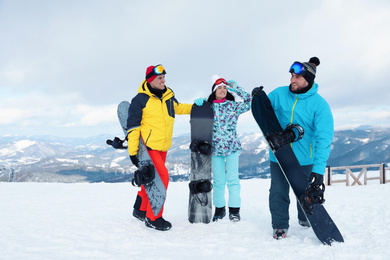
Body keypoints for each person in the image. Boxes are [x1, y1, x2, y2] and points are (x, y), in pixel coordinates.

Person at [265, 57, 334, 239]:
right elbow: (262, 111)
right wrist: (257, 98)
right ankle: (280, 225)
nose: (292, 80)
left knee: (304, 191)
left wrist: (319, 170)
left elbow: (323, 139)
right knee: (278, 192)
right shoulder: (279, 94)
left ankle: (305, 217)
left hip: (305, 159)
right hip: (279, 155)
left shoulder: (319, 105)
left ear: (308, 80)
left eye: (297, 77)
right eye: (291, 76)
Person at [127, 64, 193, 231]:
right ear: (150, 80)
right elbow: (133, 128)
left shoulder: (168, 96)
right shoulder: (140, 100)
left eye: (164, 77)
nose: (163, 80)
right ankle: (153, 217)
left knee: (148, 178)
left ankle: (140, 210)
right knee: (160, 179)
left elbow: (179, 108)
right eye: (160, 78)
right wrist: (133, 152)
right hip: (148, 148)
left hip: (163, 147)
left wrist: (198, 107)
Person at [195, 77, 251, 222]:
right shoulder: (208, 107)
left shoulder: (233, 106)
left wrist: (237, 89)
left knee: (233, 180)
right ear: (214, 91)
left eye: (225, 88)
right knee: (219, 181)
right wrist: (198, 105)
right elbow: (196, 114)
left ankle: (234, 211)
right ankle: (220, 210)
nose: (223, 90)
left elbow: (250, 102)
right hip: (215, 150)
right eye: (219, 87)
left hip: (232, 148)